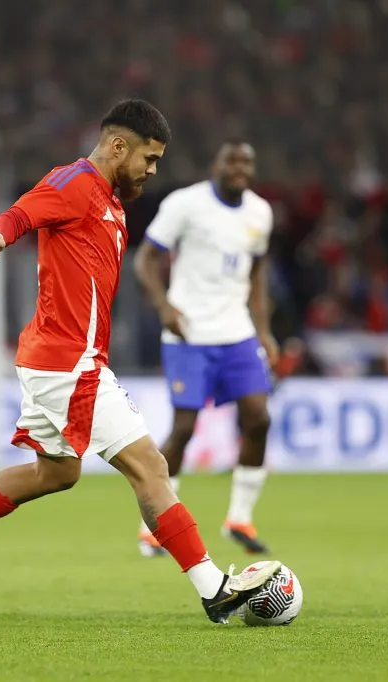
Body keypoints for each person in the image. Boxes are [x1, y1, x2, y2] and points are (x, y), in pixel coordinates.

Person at [0, 101, 281, 624]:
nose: (152, 170)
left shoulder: (109, 199)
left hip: (60, 359)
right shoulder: (75, 183)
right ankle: (213, 587)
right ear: (118, 146)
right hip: (67, 363)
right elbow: (22, 213)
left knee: (55, 473)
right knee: (150, 466)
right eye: (149, 158)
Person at [133, 141, 277, 558]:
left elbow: (257, 274)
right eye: (231, 160)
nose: (239, 169)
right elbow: (146, 259)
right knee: (183, 428)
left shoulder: (260, 213)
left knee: (259, 417)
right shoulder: (186, 204)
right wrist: (164, 306)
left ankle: (240, 519)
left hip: (237, 333)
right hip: (190, 334)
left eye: (246, 162)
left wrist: (264, 330)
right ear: (215, 164)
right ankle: (153, 526)